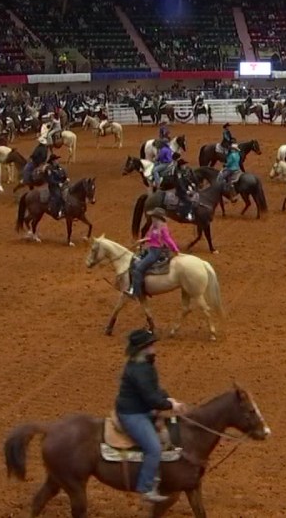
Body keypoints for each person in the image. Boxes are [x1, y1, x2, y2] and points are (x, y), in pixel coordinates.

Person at [114, 329, 188, 503]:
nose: (155, 347)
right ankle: (146, 488)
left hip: (141, 408)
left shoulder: (144, 365)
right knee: (154, 448)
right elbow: (151, 397)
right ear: (143, 349)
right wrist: (171, 405)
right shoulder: (139, 370)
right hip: (133, 413)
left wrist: (168, 397)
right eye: (151, 344)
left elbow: (155, 389)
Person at [130, 208, 179, 298]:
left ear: (157, 217)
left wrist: (175, 249)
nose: (151, 218)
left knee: (138, 270)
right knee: (134, 261)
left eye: (153, 216)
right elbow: (151, 237)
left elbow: (168, 239)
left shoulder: (163, 227)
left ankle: (137, 293)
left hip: (156, 252)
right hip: (150, 249)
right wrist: (143, 239)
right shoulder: (154, 226)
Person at [46, 154, 68, 218]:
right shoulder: (49, 169)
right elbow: (50, 179)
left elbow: (63, 174)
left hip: (62, 184)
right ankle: (59, 211)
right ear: (53, 161)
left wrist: (66, 178)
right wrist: (58, 183)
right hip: (53, 186)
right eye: (56, 160)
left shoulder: (59, 167)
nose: (57, 161)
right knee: (59, 196)